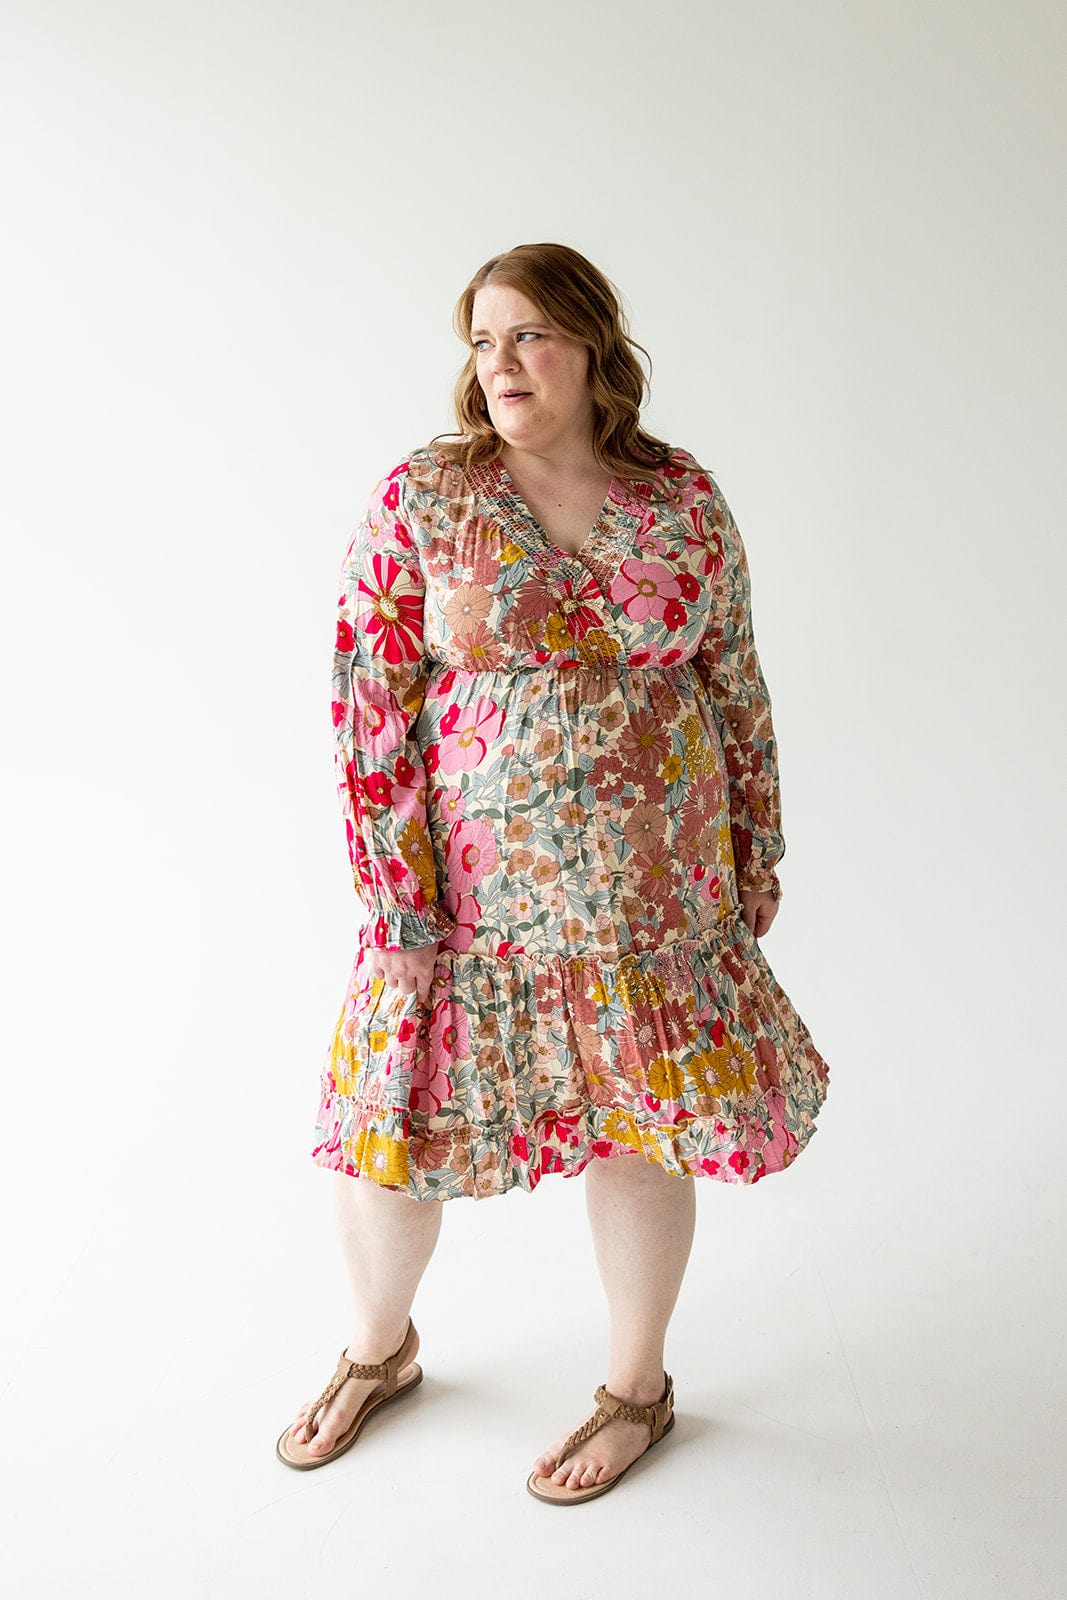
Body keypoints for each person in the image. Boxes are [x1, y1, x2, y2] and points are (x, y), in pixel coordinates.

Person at [275, 242, 830, 1503]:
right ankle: (378, 1350)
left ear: (590, 347)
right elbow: (371, 701)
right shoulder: (429, 494)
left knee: (644, 1127)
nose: (502, 363)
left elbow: (732, 678)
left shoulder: (680, 496)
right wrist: (395, 892)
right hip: (467, 898)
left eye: (527, 335)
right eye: (482, 341)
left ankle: (636, 1387)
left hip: (656, 889)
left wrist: (755, 842)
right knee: (389, 1127)